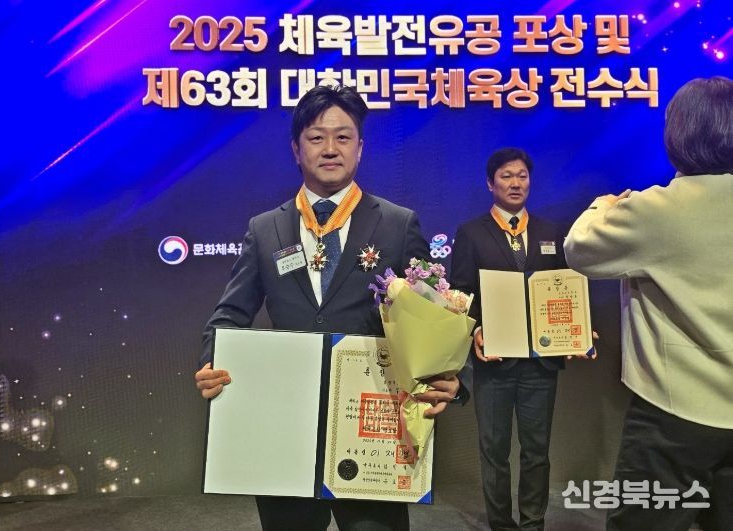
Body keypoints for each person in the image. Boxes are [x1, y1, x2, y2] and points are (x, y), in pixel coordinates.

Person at [194, 84, 461, 531]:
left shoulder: (397, 224)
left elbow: (435, 316)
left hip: (371, 421)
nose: (330, 149)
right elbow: (229, 315)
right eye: (317, 138)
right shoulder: (265, 229)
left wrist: (448, 374)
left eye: (343, 137)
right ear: (296, 150)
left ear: (361, 147)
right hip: (283, 424)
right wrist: (212, 360)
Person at [563, 76, 733, 530]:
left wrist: (603, 205)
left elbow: (579, 248)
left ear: (678, 134)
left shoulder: (658, 209)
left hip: (675, 412)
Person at [451, 147, 578, 530]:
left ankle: (532, 523)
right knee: (494, 451)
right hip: (494, 363)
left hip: (541, 363)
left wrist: (575, 328)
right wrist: (475, 330)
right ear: (490, 184)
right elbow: (460, 292)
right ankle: (501, 525)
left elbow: (562, 290)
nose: (516, 183)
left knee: (537, 451)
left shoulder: (550, 232)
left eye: (522, 175)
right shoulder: (471, 233)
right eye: (506, 176)